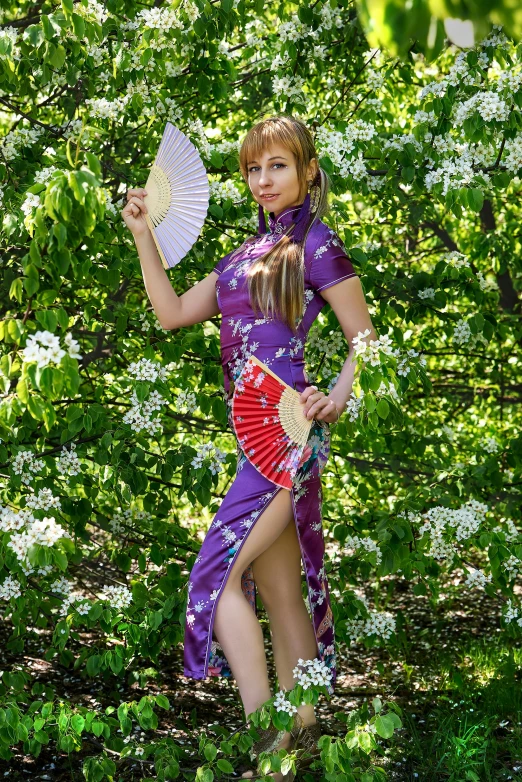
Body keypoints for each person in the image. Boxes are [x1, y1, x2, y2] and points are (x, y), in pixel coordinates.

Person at [122, 114, 377, 781]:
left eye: (278, 167)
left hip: (290, 432)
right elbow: (172, 313)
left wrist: (340, 396)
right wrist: (145, 236)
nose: (263, 181)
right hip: (253, 436)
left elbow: (367, 341)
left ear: (308, 172)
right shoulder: (242, 257)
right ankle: (310, 743)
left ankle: (269, 750)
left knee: (219, 576)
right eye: (253, 170)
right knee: (277, 585)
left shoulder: (317, 246)